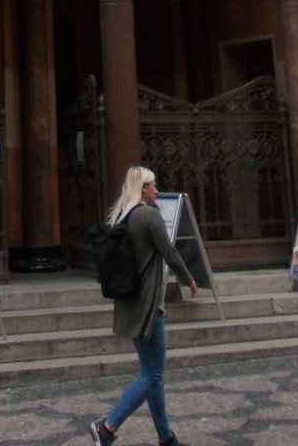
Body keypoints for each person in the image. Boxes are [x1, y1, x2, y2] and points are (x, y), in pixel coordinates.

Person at [90, 165, 197, 446]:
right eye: (153, 186)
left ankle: (166, 437)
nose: (157, 190)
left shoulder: (122, 216)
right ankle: (108, 425)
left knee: (153, 373)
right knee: (152, 374)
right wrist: (189, 279)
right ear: (142, 189)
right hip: (149, 306)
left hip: (130, 303)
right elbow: (170, 253)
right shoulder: (148, 216)